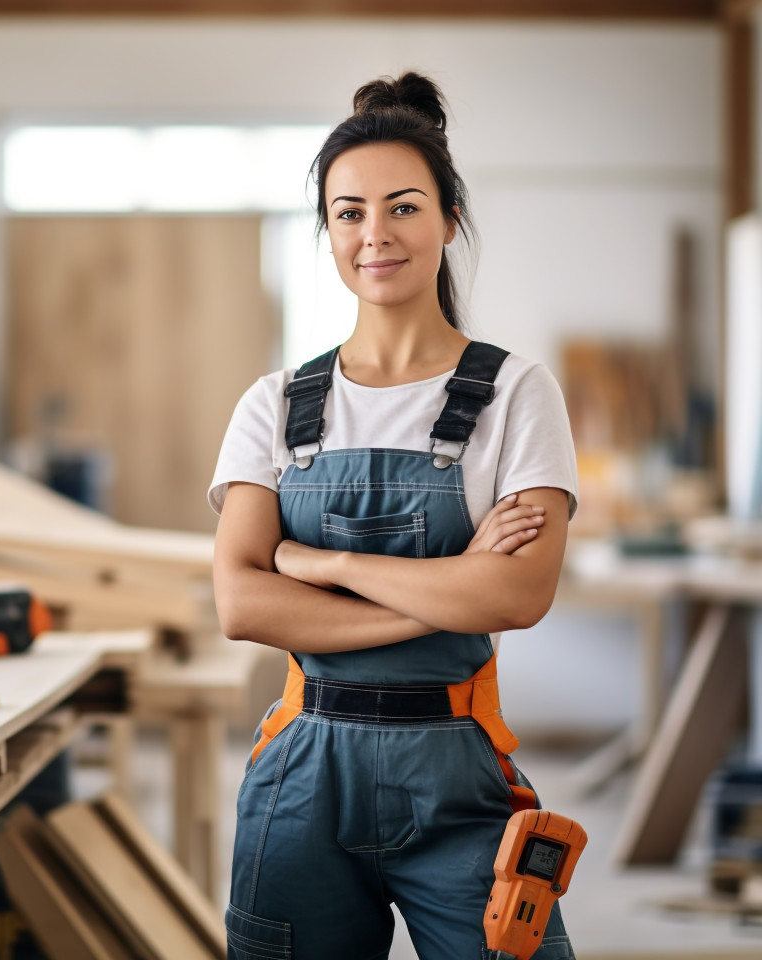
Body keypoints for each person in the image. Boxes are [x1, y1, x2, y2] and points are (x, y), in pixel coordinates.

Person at [208, 71, 579, 960]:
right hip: (303, 776)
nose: (376, 234)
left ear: (449, 219)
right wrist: (451, 591)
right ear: (328, 231)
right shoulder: (274, 404)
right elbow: (242, 605)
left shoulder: (516, 395)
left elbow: (520, 594)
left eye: (404, 207)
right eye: (349, 213)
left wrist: (322, 564)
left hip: (459, 776)